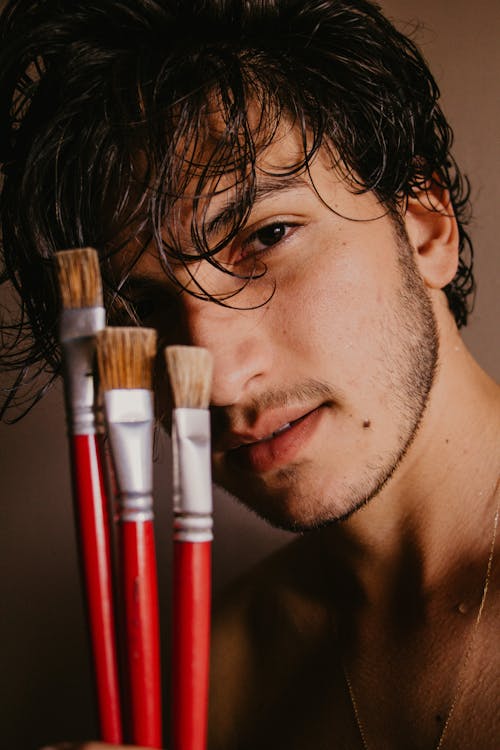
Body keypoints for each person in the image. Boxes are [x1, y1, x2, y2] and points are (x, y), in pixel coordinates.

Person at [0, 1, 498, 749]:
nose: (224, 383)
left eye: (266, 236)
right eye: (147, 304)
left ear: (426, 225)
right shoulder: (214, 674)